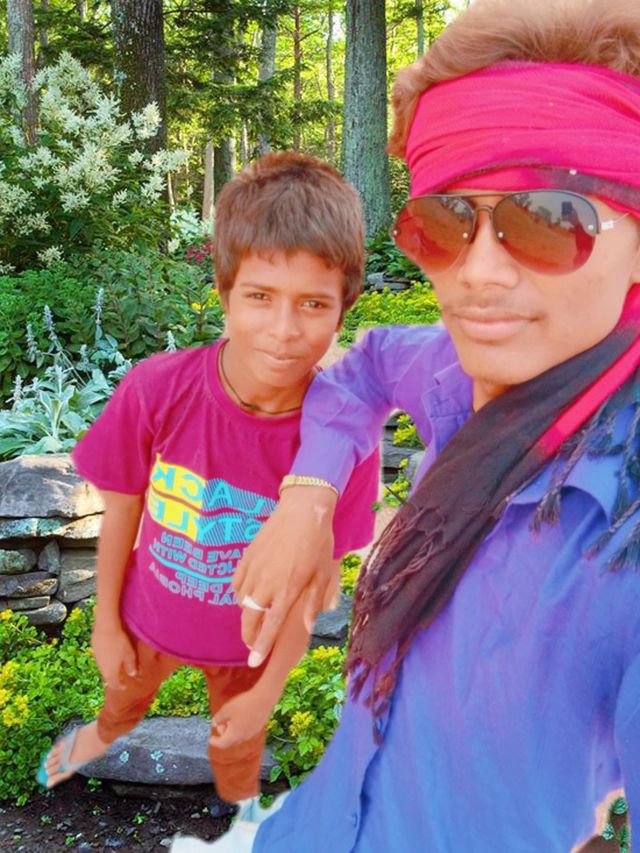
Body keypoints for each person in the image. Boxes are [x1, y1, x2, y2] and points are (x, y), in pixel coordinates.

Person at [187, 1, 640, 850]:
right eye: (445, 223)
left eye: (548, 219)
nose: (478, 273)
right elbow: (358, 369)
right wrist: (307, 499)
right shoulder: (458, 371)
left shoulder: (620, 530)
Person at [36, 152, 379, 815]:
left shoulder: (344, 442)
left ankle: (239, 813)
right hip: (148, 616)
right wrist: (106, 623)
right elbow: (122, 510)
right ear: (224, 292)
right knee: (123, 700)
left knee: (237, 745)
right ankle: (104, 733)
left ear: (344, 308)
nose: (284, 331)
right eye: (260, 296)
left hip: (248, 651)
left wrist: (267, 692)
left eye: (313, 303)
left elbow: (314, 586)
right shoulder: (156, 390)